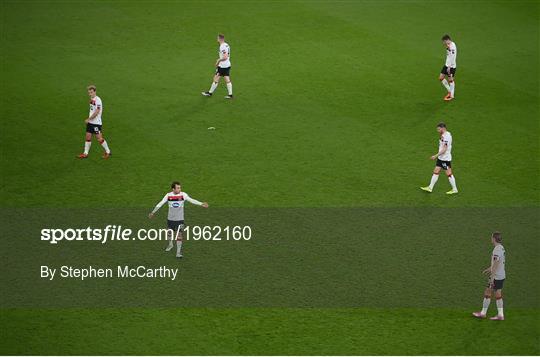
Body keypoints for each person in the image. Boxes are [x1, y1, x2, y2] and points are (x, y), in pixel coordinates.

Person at [148, 181, 209, 258]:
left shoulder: (183, 195)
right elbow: (160, 203)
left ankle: (178, 253)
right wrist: (153, 212)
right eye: (178, 188)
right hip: (170, 219)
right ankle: (170, 244)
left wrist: (201, 204)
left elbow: (191, 200)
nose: (179, 189)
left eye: (180, 188)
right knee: (169, 233)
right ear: (173, 189)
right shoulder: (168, 195)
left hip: (180, 219)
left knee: (179, 235)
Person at [473, 232, 506, 321]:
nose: (491, 239)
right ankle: (500, 315)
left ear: (494, 239)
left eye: (491, 237)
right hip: (501, 275)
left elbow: (496, 264)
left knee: (488, 292)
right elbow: (498, 262)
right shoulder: (501, 248)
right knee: (498, 294)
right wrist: (489, 268)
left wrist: (492, 277)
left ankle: (483, 313)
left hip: (496, 276)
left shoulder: (497, 250)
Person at [420, 122, 458, 194]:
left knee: (449, 174)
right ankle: (430, 187)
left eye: (439, 129)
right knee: (436, 171)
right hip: (441, 158)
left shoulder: (447, 137)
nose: (437, 130)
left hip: (445, 159)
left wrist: (435, 156)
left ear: (443, 128)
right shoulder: (444, 134)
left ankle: (455, 189)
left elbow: (444, 149)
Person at [77, 85, 112, 159]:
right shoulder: (91, 99)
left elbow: (97, 112)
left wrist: (88, 119)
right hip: (91, 123)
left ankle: (108, 152)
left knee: (99, 138)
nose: (90, 94)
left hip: (96, 123)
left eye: (91, 92)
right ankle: (85, 153)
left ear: (95, 92)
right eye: (89, 92)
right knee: (88, 137)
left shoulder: (98, 100)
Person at [201, 34, 233, 99]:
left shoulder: (222, 46)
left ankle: (210, 93)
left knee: (215, 79)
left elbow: (225, 57)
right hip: (227, 65)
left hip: (222, 66)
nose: (217, 39)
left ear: (220, 39)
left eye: (217, 38)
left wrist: (218, 60)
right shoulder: (227, 45)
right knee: (227, 79)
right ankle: (230, 95)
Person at [439, 34, 457, 101]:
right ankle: (450, 91)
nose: (443, 43)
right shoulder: (450, 44)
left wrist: (449, 67)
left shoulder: (452, 47)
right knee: (441, 78)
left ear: (447, 40)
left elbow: (452, 57)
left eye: (444, 42)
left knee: (450, 80)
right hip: (446, 65)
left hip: (451, 67)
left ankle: (452, 96)